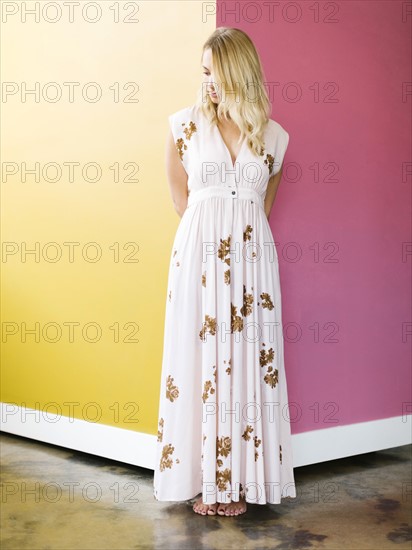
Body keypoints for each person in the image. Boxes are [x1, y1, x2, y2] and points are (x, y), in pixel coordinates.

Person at [153, 27, 296, 517]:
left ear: (239, 71)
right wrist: (210, 247)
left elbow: (262, 208)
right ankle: (202, 482)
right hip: (199, 259)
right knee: (198, 359)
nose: (208, 81)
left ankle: (237, 482)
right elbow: (181, 201)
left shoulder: (274, 138)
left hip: (254, 266)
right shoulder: (183, 126)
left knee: (249, 360)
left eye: (215, 71)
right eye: (204, 72)